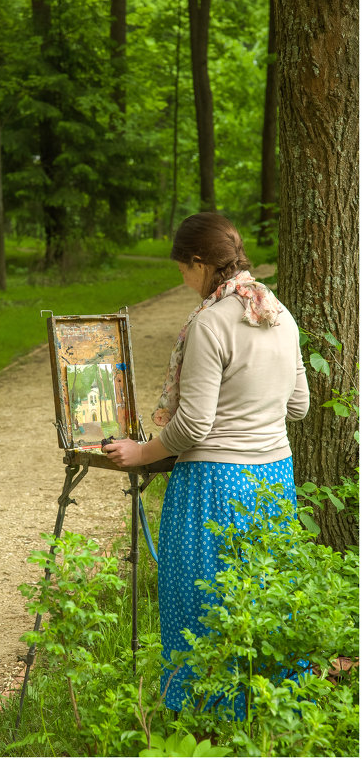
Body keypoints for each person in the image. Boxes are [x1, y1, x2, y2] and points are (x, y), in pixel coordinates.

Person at [102, 212, 310, 713]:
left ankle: (205, 715)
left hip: (214, 484)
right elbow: (298, 406)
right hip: (273, 482)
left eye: (182, 271)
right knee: (262, 599)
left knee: (200, 602)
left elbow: (194, 425)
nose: (183, 282)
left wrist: (141, 452)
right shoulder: (278, 313)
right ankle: (267, 711)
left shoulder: (211, 322)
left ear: (200, 264)